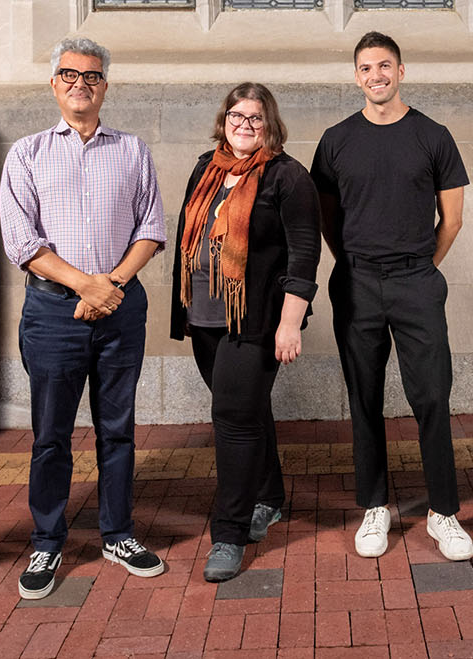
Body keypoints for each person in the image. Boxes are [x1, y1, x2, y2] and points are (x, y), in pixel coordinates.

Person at [0, 37, 168, 599]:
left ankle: (117, 533)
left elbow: (150, 227)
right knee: (51, 435)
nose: (80, 84)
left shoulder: (133, 149)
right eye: (69, 75)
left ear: (104, 86)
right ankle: (47, 541)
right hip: (53, 310)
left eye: (92, 76)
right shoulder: (26, 153)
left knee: (117, 430)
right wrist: (85, 285)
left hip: (121, 308)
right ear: (54, 84)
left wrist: (112, 286)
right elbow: (21, 240)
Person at [311, 32, 473, 562]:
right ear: (356, 76)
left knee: (431, 396)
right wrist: (353, 263)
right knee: (364, 397)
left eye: (385, 65)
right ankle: (374, 505)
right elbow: (326, 219)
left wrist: (422, 266)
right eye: (365, 67)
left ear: (401, 71)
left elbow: (452, 219)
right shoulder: (336, 140)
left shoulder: (433, 136)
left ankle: (443, 512)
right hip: (356, 282)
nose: (376, 75)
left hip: (416, 281)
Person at [170, 84, 321, 582]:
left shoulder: (287, 176)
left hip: (255, 322)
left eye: (256, 118)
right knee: (249, 411)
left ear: (270, 124)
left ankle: (229, 534)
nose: (245, 125)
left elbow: (304, 256)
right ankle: (270, 498)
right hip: (207, 318)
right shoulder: (205, 168)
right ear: (224, 119)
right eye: (237, 115)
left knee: (231, 419)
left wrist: (289, 324)